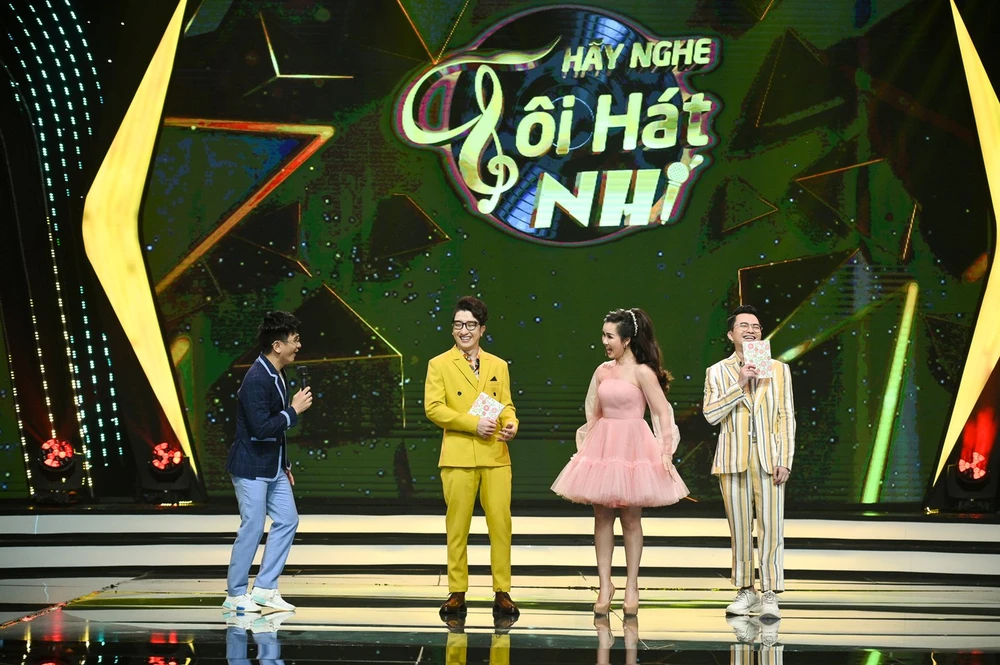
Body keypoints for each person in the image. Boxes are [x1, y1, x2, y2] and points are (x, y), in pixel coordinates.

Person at [551, 308, 688, 616]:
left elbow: (662, 412)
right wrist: (588, 450)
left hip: (633, 446)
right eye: (603, 335)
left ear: (626, 340)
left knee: (630, 519)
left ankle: (631, 585)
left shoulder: (642, 372)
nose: (604, 341)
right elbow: (593, 410)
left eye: (609, 336)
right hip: (604, 444)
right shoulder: (602, 371)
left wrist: (665, 451)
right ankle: (604, 585)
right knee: (601, 517)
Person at [425, 296, 520, 618]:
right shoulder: (439, 364)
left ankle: (502, 591)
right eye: (458, 325)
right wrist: (472, 423)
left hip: (495, 454)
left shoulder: (498, 365)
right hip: (458, 456)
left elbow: (506, 405)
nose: (463, 331)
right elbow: (433, 408)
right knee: (457, 527)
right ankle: (457, 591)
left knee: (501, 525)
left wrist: (511, 424)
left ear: (482, 329)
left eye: (470, 325)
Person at [703, 304, 795, 621]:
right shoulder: (717, 372)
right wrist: (739, 383)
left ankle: (769, 593)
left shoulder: (779, 370)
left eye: (755, 326)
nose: (751, 330)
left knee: (771, 527)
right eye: (744, 326)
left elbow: (786, 417)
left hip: (769, 458)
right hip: (732, 458)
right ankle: (746, 590)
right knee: (740, 528)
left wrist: (785, 459)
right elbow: (711, 415)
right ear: (731, 335)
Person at [222, 311, 313, 613]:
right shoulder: (257, 378)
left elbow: (275, 430)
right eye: (295, 340)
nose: (298, 345)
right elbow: (261, 428)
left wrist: (285, 464)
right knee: (252, 526)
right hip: (251, 466)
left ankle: (264, 588)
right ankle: (235, 594)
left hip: (272, 467)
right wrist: (293, 411)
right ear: (277, 345)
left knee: (288, 519)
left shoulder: (277, 372)